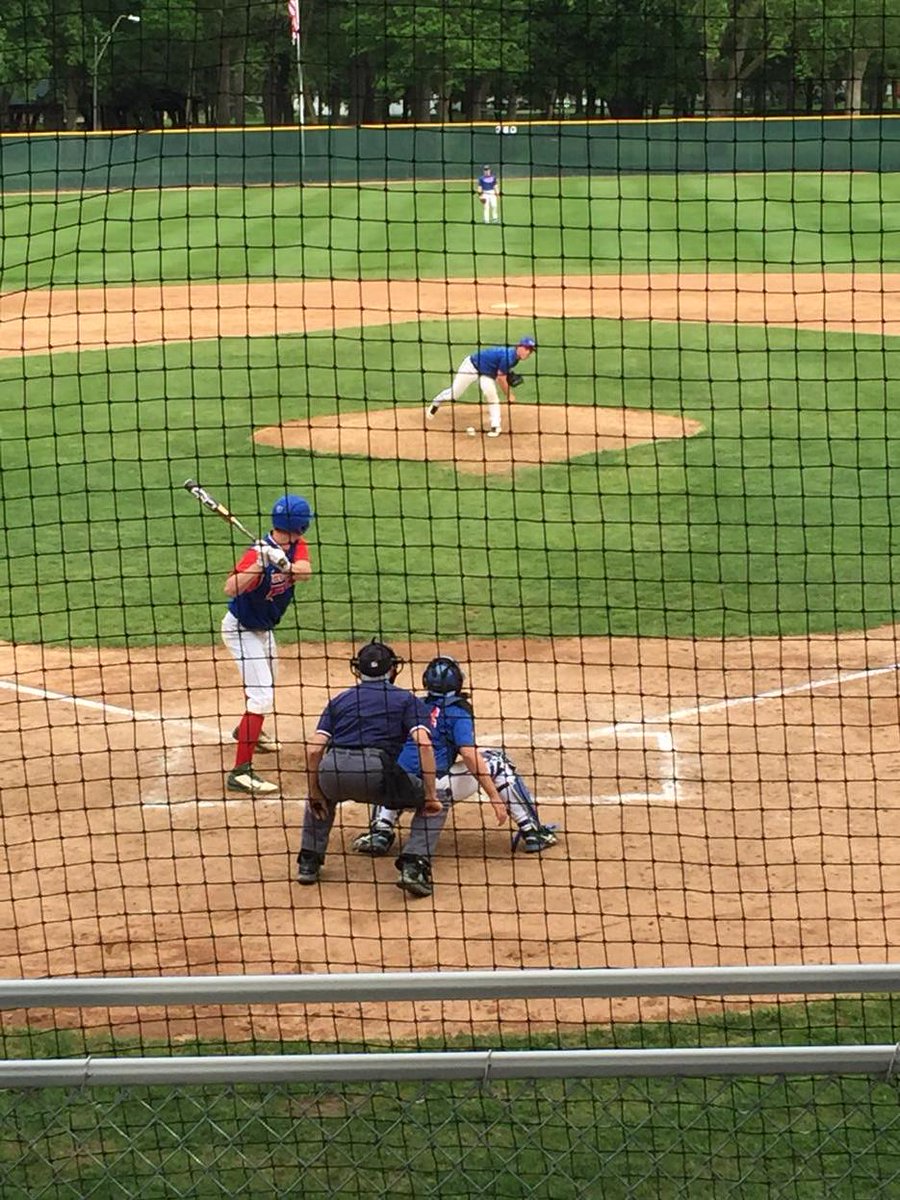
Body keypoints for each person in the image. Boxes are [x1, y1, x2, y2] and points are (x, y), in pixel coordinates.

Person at [353, 656, 559, 897]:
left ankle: (380, 832)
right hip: (436, 788)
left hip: (397, 788)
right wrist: (493, 795)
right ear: (459, 682)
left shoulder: (412, 705)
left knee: (394, 765)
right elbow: (469, 755)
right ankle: (532, 831)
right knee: (496, 761)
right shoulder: (458, 711)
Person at [297, 640, 441, 891]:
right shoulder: (407, 700)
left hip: (333, 770)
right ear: (393, 670)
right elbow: (425, 745)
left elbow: (314, 750)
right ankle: (414, 865)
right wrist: (430, 795)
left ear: (358, 669)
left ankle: (309, 861)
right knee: (440, 800)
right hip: (376, 774)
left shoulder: (339, 700)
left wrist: (314, 791)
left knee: (320, 800)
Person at [221, 494, 314, 796]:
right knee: (261, 696)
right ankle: (240, 772)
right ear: (302, 524)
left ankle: (248, 731)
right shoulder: (257, 553)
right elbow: (229, 588)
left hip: (264, 631)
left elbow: (305, 572)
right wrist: (259, 565)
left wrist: (284, 565)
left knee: (266, 685)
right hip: (241, 630)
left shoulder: (296, 546)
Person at [425, 336, 536, 437]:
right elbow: (501, 378)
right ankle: (436, 401)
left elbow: (500, 373)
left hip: (486, 373)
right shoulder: (508, 356)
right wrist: (509, 395)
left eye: (530, 351)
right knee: (455, 393)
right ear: (519, 347)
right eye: (527, 349)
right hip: (471, 366)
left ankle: (495, 425)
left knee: (491, 395)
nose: (528, 353)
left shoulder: (515, 358)